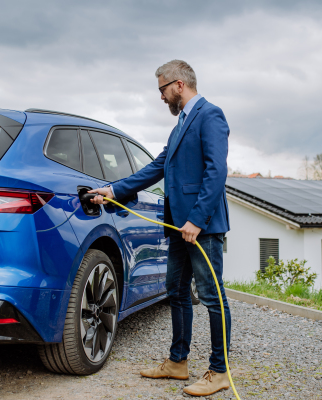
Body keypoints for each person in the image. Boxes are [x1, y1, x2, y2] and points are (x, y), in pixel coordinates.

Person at [89, 59, 232, 397]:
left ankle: (219, 371)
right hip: (178, 226)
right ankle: (178, 363)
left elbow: (216, 171)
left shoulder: (210, 115)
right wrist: (114, 189)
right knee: (176, 290)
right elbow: (155, 167)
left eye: (163, 89)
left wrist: (196, 220)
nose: (162, 97)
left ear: (179, 84)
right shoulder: (180, 124)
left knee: (212, 296)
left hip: (202, 227)